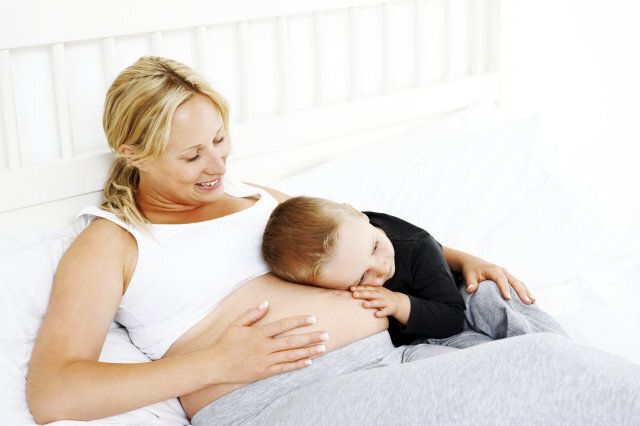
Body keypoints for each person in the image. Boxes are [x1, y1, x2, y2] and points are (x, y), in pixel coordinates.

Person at [26, 56, 640, 425]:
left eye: (220, 138)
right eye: (191, 154)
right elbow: (55, 390)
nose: (216, 163)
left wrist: (457, 258)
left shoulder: (253, 194)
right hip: (285, 400)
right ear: (133, 152)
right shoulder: (112, 242)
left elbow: (357, 237)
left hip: (395, 360)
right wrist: (219, 363)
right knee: (544, 367)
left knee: (503, 307)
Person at [262, 195, 570, 348]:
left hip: (452, 300)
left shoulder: (416, 246)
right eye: (359, 279)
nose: (381, 268)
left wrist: (398, 304)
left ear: (360, 215)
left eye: (374, 248)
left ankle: (557, 351)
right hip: (418, 338)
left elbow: (452, 317)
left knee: (494, 298)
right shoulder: (342, 254)